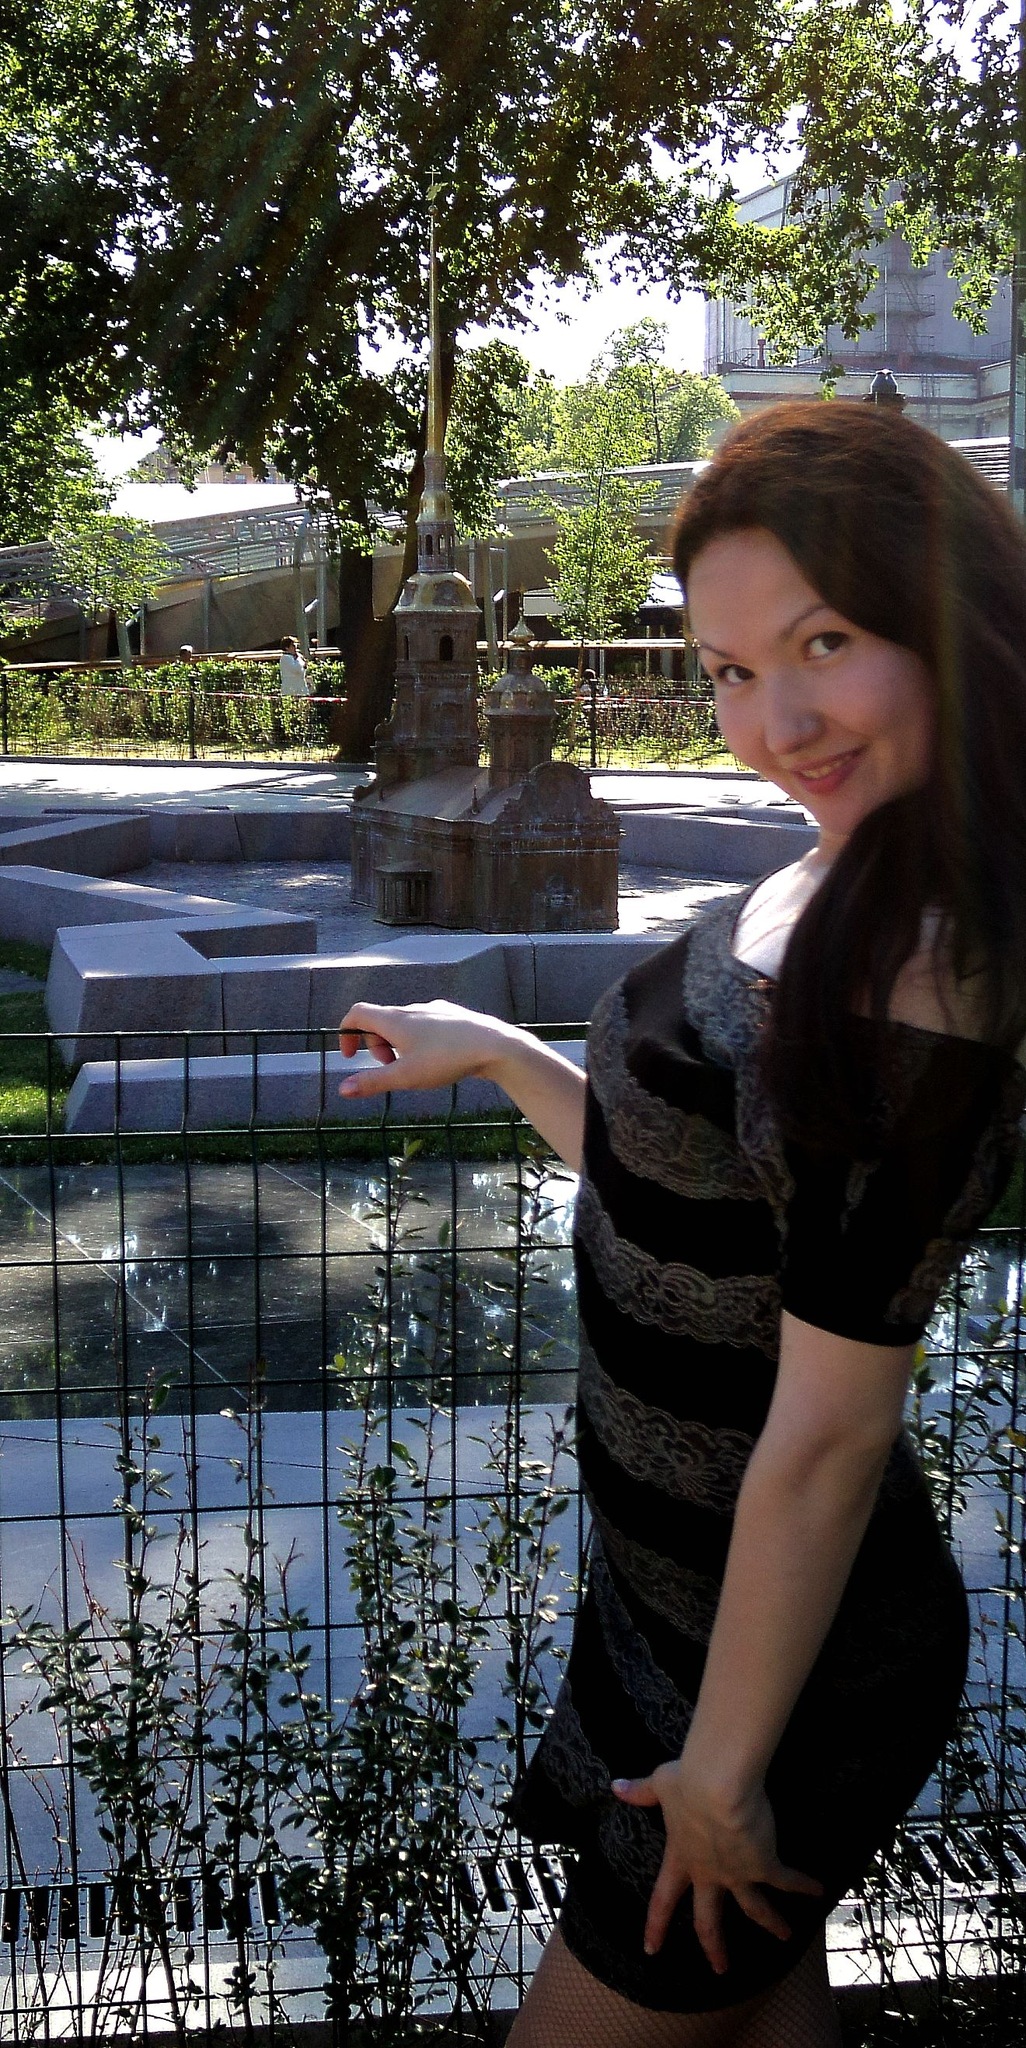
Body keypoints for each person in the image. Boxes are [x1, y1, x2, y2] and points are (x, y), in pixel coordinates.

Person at [337, 403, 1026, 2047]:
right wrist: (496, 1048)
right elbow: (693, 1206)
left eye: (825, 642)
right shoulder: (836, 872)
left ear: (949, 624)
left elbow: (832, 1430)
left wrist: (721, 1772)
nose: (774, 720)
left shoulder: (918, 975)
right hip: (685, 1603)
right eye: (726, 669)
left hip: (775, 1668)